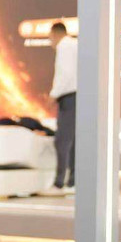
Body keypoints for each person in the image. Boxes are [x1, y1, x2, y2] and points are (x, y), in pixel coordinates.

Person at [41, 22, 77, 196]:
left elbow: (65, 74)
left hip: (69, 97)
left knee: (62, 140)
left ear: (55, 34)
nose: (50, 43)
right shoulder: (75, 44)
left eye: (50, 38)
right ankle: (73, 182)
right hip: (77, 97)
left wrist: (53, 95)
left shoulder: (64, 46)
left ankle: (59, 183)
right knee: (74, 141)